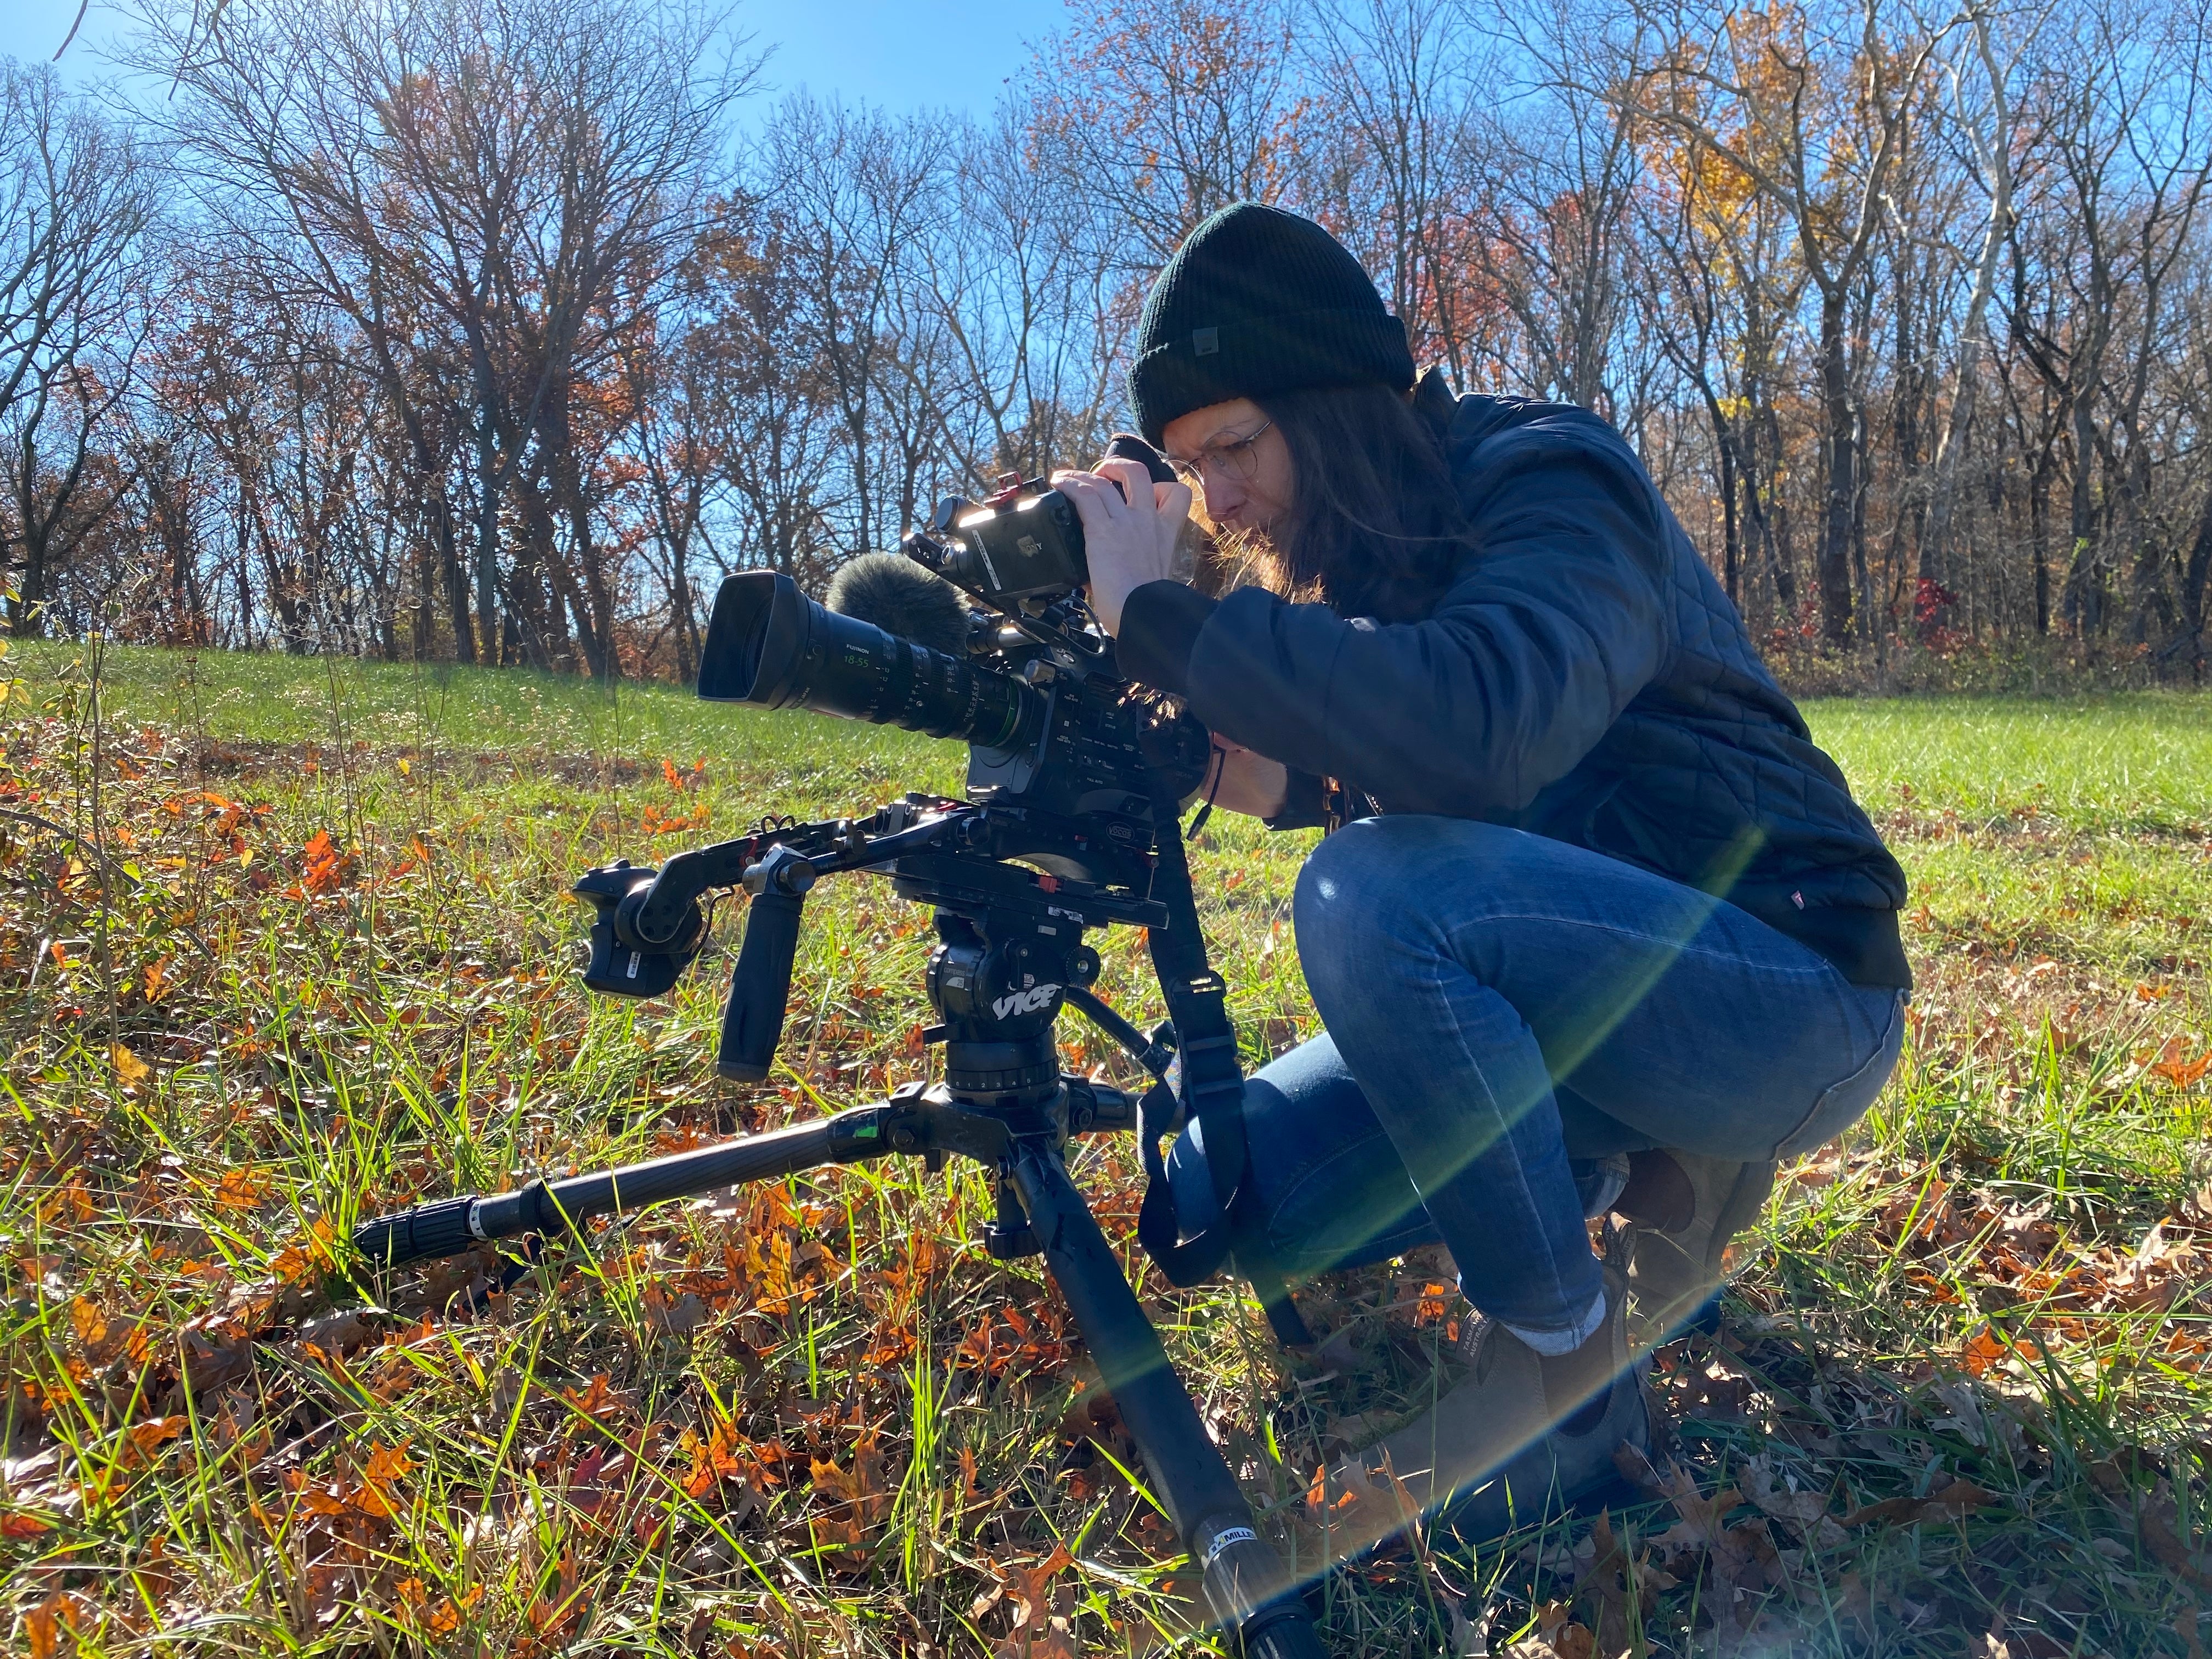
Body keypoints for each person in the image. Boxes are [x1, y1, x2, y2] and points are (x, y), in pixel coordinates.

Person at [1049, 202, 1911, 1541]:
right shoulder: (1369, 565)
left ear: (1332, 402)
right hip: (1590, 1010)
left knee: (1369, 896)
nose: (1217, 502)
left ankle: (1565, 1377)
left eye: (1235, 446)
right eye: (1188, 466)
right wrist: (1188, 756)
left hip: (1786, 993)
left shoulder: (1551, 476)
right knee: (1229, 1194)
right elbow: (1383, 784)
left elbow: (1488, 724)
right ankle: (1638, 1179)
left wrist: (1161, 618)